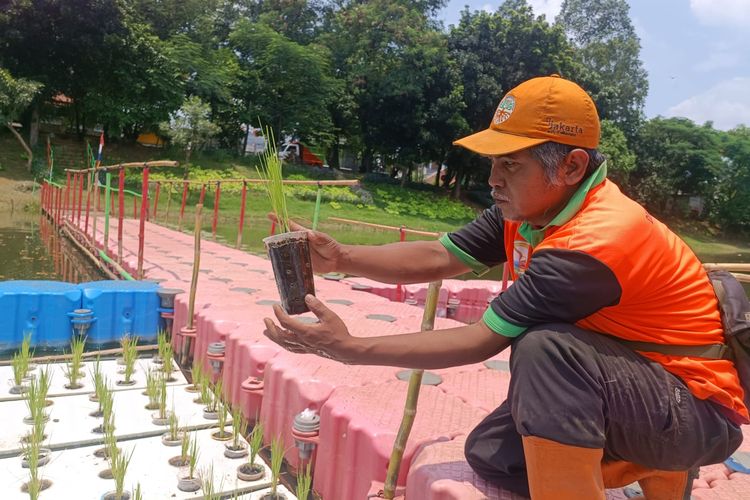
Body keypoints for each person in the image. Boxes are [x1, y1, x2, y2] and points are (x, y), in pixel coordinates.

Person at [262, 75, 746, 499]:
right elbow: (439, 256)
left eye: (511, 163)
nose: (492, 178)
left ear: (572, 168)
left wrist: (351, 348)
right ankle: (647, 466)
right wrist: (342, 257)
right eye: (494, 161)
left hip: (691, 409)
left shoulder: (594, 241)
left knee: (546, 349)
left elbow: (481, 339)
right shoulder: (533, 209)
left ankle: (664, 460)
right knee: (492, 454)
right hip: (629, 390)